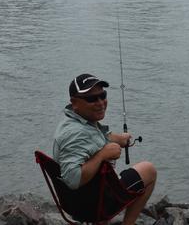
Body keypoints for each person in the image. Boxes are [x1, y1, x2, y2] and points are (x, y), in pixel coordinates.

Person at [53, 73, 156, 225]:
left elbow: (96, 136)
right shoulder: (75, 134)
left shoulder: (74, 121)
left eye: (103, 95)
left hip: (77, 202)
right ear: (74, 102)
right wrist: (102, 155)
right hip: (94, 205)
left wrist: (120, 139)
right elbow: (73, 179)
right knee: (149, 170)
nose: (100, 102)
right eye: (91, 99)